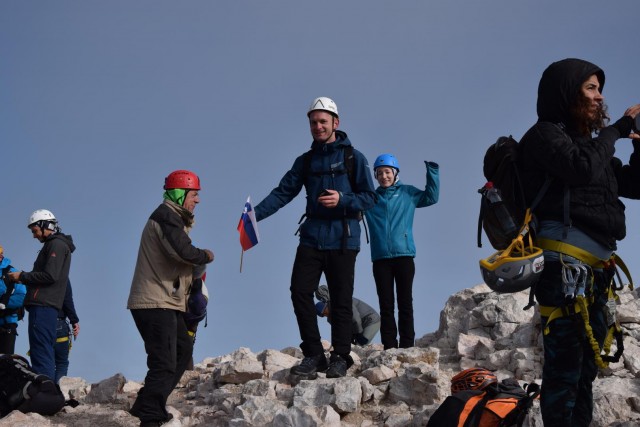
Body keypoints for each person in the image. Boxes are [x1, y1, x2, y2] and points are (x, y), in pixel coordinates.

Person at [518, 58, 640, 426]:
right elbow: (580, 168)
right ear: (567, 93)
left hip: (596, 273)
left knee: (585, 371)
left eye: (599, 89)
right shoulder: (543, 136)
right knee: (565, 370)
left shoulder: (591, 145)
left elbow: (634, 186)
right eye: (590, 88)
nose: (599, 97)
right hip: (564, 270)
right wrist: (616, 131)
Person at [254, 97, 376, 379]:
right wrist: (254, 216)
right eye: (313, 122)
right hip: (311, 238)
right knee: (299, 292)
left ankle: (341, 356)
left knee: (342, 300)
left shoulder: (353, 157)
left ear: (336, 122)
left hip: (344, 239)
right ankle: (313, 354)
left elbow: (370, 197)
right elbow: (283, 192)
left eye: (323, 121)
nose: (318, 127)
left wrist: (343, 199)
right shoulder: (305, 161)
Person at [127, 169, 214, 427]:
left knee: (182, 349)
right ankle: (151, 417)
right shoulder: (166, 216)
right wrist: (205, 255)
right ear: (180, 193)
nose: (197, 200)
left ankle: (145, 404)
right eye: (194, 194)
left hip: (165, 301)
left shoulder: (174, 218)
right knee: (164, 362)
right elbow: (183, 251)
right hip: (154, 302)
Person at [364, 154, 439, 349]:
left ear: (395, 173)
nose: (383, 176)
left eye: (387, 172)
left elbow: (431, 197)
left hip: (404, 256)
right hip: (380, 258)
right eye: (379, 173)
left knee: (405, 303)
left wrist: (432, 171)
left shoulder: (408, 193)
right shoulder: (371, 198)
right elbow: (353, 205)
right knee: (386, 305)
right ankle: (389, 346)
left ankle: (407, 345)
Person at [7, 210, 75, 381]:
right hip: (46, 306)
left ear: (45, 225)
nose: (34, 235)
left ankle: (45, 396)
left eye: (34, 230)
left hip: (43, 305)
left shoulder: (56, 245)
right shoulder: (56, 244)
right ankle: (47, 394)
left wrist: (22, 276)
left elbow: (50, 275)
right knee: (43, 352)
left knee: (41, 352)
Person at [314, 284, 380, 346]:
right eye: (323, 315)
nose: (326, 315)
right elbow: (340, 329)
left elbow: (355, 317)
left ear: (326, 307)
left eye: (325, 313)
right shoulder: (331, 317)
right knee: (351, 347)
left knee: (361, 344)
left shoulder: (341, 300)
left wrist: (358, 333)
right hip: (359, 325)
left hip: (371, 320)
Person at [0, 244, 27, 354]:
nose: (0, 256)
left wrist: (3, 302)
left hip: (7, 324)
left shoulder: (12, 272)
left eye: (1, 254)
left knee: (6, 363)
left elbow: (22, 296)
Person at [54, 280, 79, 383]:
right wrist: (74, 321)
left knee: (44, 360)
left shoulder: (38, 274)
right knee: (61, 363)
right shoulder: (63, 277)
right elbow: (68, 301)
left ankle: (43, 390)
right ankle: (56, 392)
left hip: (40, 323)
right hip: (59, 323)